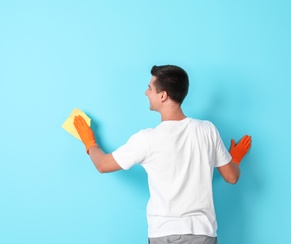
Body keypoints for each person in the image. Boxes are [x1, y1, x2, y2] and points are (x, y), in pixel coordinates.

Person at [73, 65, 252, 244]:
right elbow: (231, 176)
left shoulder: (147, 139)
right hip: (203, 232)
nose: (146, 92)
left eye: (150, 88)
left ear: (163, 95)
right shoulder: (207, 130)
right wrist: (234, 159)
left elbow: (103, 165)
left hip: (164, 233)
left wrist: (90, 143)